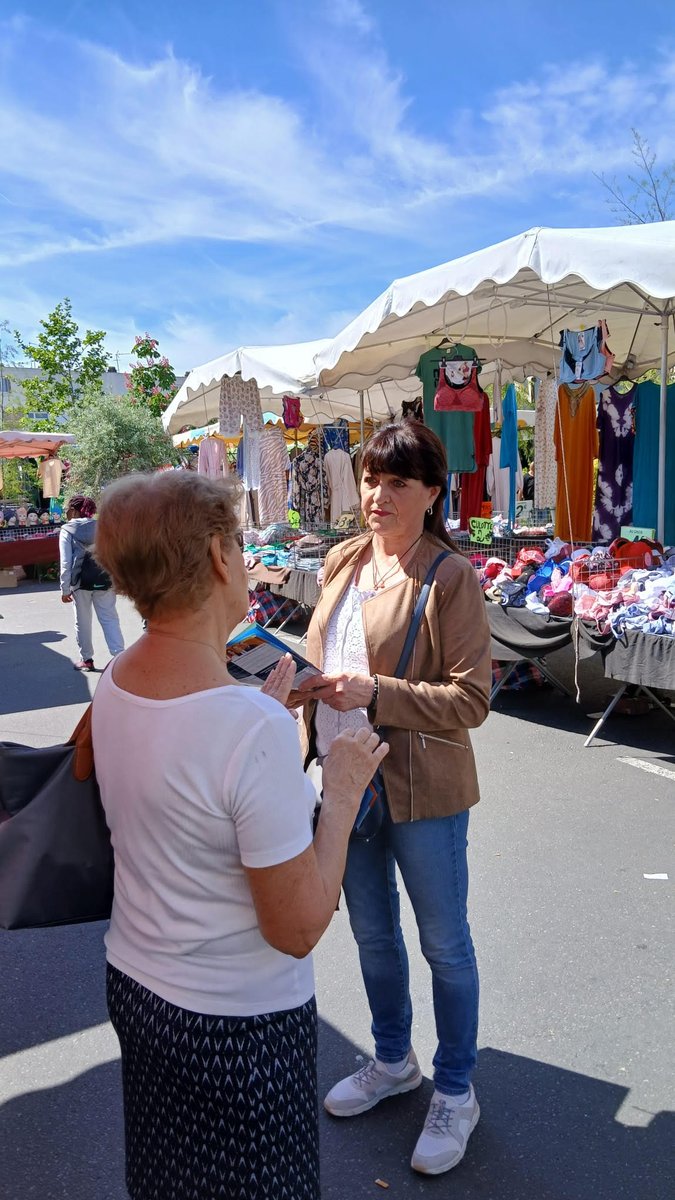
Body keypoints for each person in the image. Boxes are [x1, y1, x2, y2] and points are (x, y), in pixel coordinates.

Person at [91, 470, 387, 1200]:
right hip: (235, 1024)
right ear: (221, 558)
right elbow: (295, 927)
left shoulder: (120, 677)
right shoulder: (246, 726)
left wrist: (259, 719)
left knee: (167, 1177)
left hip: (138, 980)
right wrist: (341, 789)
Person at [297, 421, 492, 1177]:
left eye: (397, 483)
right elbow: (323, 653)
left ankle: (454, 1089)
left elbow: (472, 699)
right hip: (341, 778)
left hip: (419, 786)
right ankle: (391, 1061)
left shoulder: (448, 576)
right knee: (373, 936)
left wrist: (374, 691)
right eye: (372, 480)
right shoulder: (343, 559)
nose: (377, 495)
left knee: (444, 943)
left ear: (431, 493)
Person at [59, 494, 125, 671]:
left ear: (74, 510)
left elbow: (65, 562)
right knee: (110, 618)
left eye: (67, 509)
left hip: (79, 583)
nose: (66, 512)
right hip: (105, 579)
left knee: (82, 621)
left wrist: (65, 589)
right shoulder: (103, 527)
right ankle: (119, 658)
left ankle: (87, 660)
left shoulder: (67, 530)